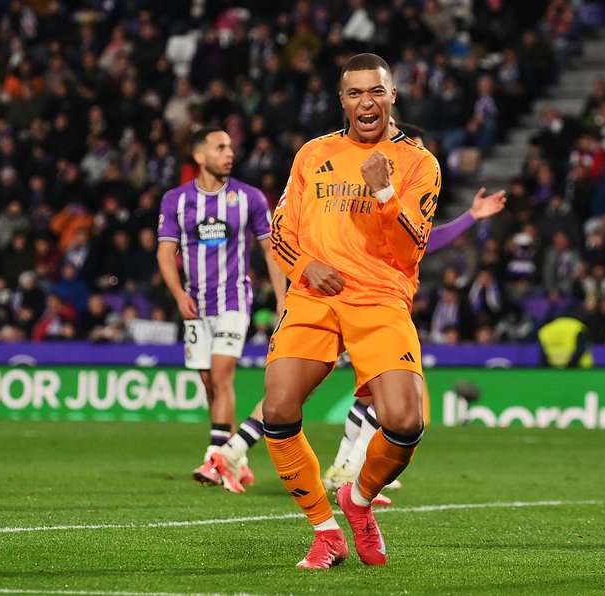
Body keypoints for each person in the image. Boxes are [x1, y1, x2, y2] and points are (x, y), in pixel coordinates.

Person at [209, 124, 506, 497]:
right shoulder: (371, 197)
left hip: (351, 297)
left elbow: (422, 238)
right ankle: (345, 470)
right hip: (365, 300)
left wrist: (470, 217)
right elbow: (416, 241)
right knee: (365, 394)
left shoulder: (395, 196)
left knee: (323, 392)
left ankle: (243, 450)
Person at [259, 52, 440, 569]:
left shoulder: (418, 163)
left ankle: (357, 502)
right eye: (356, 93)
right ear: (342, 100)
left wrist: (383, 189)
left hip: (381, 297)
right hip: (315, 296)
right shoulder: (312, 154)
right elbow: (280, 232)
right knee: (278, 409)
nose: (367, 102)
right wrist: (305, 267)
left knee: (406, 422)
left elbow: (412, 250)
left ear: (392, 97)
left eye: (376, 92)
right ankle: (324, 532)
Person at [156, 127, 285, 486]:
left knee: (222, 374)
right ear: (199, 156)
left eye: (231, 146)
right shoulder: (176, 201)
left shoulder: (250, 198)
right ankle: (236, 459)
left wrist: (281, 298)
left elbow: (270, 249)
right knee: (209, 383)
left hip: (234, 301)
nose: (229, 153)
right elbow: (166, 253)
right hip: (196, 305)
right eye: (220, 147)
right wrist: (179, 294)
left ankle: (214, 459)